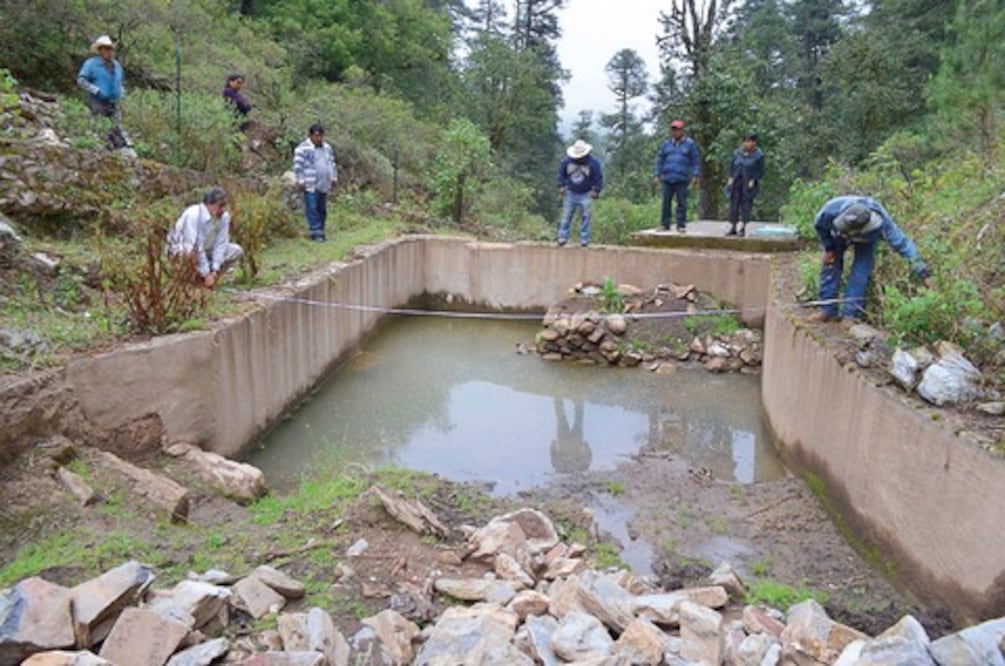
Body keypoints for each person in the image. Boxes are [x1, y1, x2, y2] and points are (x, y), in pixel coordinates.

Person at [809, 195, 930, 322]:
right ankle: (827, 310)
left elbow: (903, 245)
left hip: (866, 238)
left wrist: (923, 272)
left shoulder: (881, 224)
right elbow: (819, 226)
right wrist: (829, 248)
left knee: (860, 272)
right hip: (837, 234)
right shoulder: (830, 211)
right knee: (830, 264)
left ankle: (850, 314)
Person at [167, 187, 244, 289]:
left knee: (236, 250)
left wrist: (215, 270)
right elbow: (194, 245)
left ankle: (209, 280)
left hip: (207, 250)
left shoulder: (224, 217)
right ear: (210, 204)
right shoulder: (193, 214)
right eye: (220, 205)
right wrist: (205, 272)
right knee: (188, 253)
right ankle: (189, 279)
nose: (223, 209)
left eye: (224, 205)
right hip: (183, 250)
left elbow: (221, 243)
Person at [76, 34, 132, 151]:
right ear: (100, 50)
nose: (108, 51)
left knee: (116, 127)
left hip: (113, 102)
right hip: (97, 101)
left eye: (109, 48)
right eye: (105, 48)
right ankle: (102, 149)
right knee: (101, 127)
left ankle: (121, 150)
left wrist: (121, 93)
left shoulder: (117, 66)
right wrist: (95, 90)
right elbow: (81, 80)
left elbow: (120, 82)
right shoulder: (91, 64)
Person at [653, 119, 700, 233]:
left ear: (682, 131)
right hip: (667, 178)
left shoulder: (690, 144)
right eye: (673, 130)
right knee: (666, 202)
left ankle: (681, 225)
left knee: (682, 203)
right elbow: (660, 160)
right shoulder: (666, 144)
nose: (675, 132)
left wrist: (695, 175)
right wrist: (657, 174)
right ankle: (665, 224)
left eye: (678, 129)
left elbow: (695, 161)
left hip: (682, 178)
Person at [293, 123, 338, 242]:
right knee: (312, 208)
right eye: (316, 135)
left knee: (322, 209)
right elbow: (298, 167)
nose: (319, 138)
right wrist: (300, 181)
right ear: (311, 135)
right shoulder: (302, 148)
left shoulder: (327, 148)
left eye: (321, 136)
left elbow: (331, 163)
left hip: (324, 183)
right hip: (310, 183)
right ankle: (315, 232)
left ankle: (321, 231)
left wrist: (333, 177)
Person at [555, 139, 604, 247]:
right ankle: (562, 237)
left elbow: (598, 177)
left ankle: (584, 239)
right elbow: (561, 174)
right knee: (566, 216)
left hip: (586, 193)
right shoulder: (566, 161)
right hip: (570, 192)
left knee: (586, 216)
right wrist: (561, 186)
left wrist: (596, 190)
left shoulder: (594, 163)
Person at [724, 133, 764, 237]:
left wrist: (754, 179)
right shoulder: (737, 153)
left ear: (754, 143)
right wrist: (730, 179)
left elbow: (760, 171)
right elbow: (732, 167)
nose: (747, 144)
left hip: (749, 182)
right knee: (734, 205)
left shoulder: (759, 155)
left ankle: (743, 227)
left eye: (750, 141)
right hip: (736, 181)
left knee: (746, 205)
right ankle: (733, 227)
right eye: (746, 141)